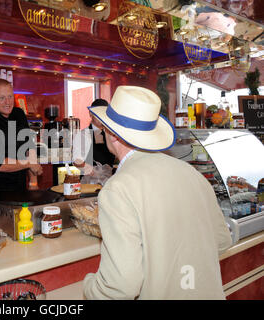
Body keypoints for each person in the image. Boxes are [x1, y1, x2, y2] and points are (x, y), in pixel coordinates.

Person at [83, 86, 232, 300]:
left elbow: (120, 287)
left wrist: (88, 286)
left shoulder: (118, 189)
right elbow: (221, 241)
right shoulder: (193, 174)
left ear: (112, 134)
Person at [0, 79, 43, 195]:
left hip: (20, 189)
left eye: (10, 97)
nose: (7, 102)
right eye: (2, 98)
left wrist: (33, 182)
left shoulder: (19, 114)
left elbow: (28, 149)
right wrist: (29, 163)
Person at [72, 98, 116, 174]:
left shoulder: (110, 134)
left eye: (104, 113)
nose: (101, 117)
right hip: (90, 182)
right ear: (90, 113)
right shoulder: (83, 135)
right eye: (98, 113)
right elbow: (77, 161)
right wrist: (94, 172)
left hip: (109, 181)